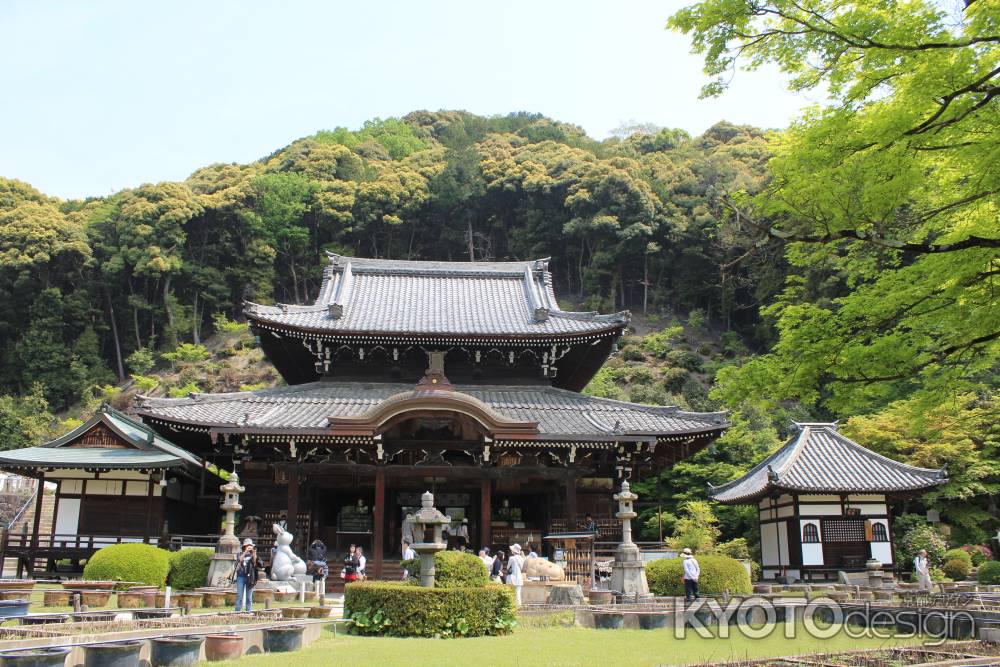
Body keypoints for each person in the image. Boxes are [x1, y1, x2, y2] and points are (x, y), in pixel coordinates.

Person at [233, 538, 259, 613]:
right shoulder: (240, 553)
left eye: (250, 545)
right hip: (240, 576)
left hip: (250, 578)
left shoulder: (252, 554)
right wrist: (245, 552)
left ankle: (249, 612)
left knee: (249, 597)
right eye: (247, 545)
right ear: (244, 546)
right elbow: (240, 560)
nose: (249, 546)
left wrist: (254, 552)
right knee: (239, 596)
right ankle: (237, 612)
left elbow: (255, 562)